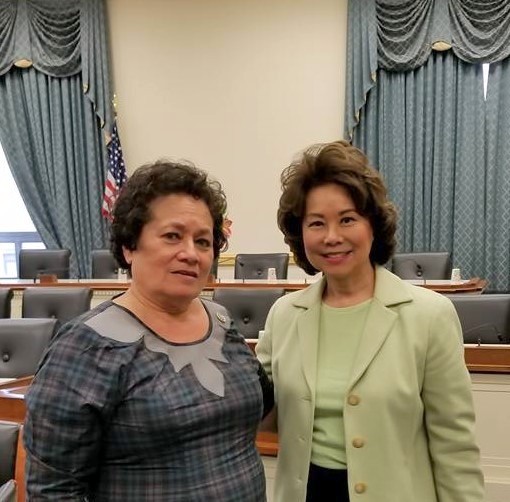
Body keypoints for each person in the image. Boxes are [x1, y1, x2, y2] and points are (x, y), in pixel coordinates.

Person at [24, 160, 273, 501]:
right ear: (129, 245)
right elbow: (53, 490)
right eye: (173, 236)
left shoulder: (222, 322)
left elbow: (263, 405)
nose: (191, 253)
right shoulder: (83, 347)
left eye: (203, 241)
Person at [256, 140, 484, 502]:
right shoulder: (284, 314)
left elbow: (454, 445)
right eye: (317, 223)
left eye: (347, 219)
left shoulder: (429, 315)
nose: (332, 237)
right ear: (300, 234)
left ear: (373, 226)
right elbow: (258, 410)